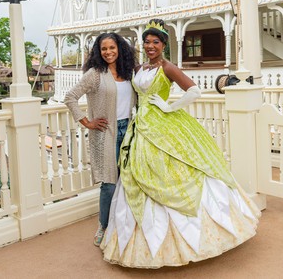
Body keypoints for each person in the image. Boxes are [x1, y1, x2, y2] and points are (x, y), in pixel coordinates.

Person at [101, 19, 260, 268]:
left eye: (155, 42)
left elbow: (194, 91)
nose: (150, 46)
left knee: (179, 170)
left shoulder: (168, 67)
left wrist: (169, 106)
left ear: (163, 45)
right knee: (138, 174)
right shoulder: (139, 67)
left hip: (163, 125)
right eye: (147, 42)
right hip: (141, 127)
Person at [64, 32, 137, 247]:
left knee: (130, 180)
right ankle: (103, 226)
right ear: (99, 51)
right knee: (109, 184)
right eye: (104, 49)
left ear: (119, 49)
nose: (108, 52)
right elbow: (71, 97)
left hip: (130, 130)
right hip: (106, 132)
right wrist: (87, 122)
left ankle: (125, 223)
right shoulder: (95, 74)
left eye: (112, 48)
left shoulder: (128, 72)